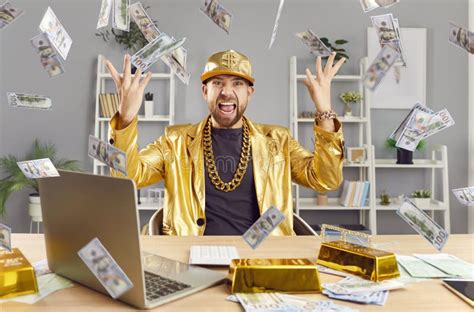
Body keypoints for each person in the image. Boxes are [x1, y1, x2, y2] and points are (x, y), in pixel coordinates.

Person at [105, 49, 345, 236]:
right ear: (204, 91)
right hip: (192, 256)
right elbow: (129, 177)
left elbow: (326, 180)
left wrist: (325, 110)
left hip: (261, 256)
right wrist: (125, 117)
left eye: (237, 83)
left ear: (250, 92)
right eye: (218, 82)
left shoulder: (277, 141)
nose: (227, 92)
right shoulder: (175, 141)